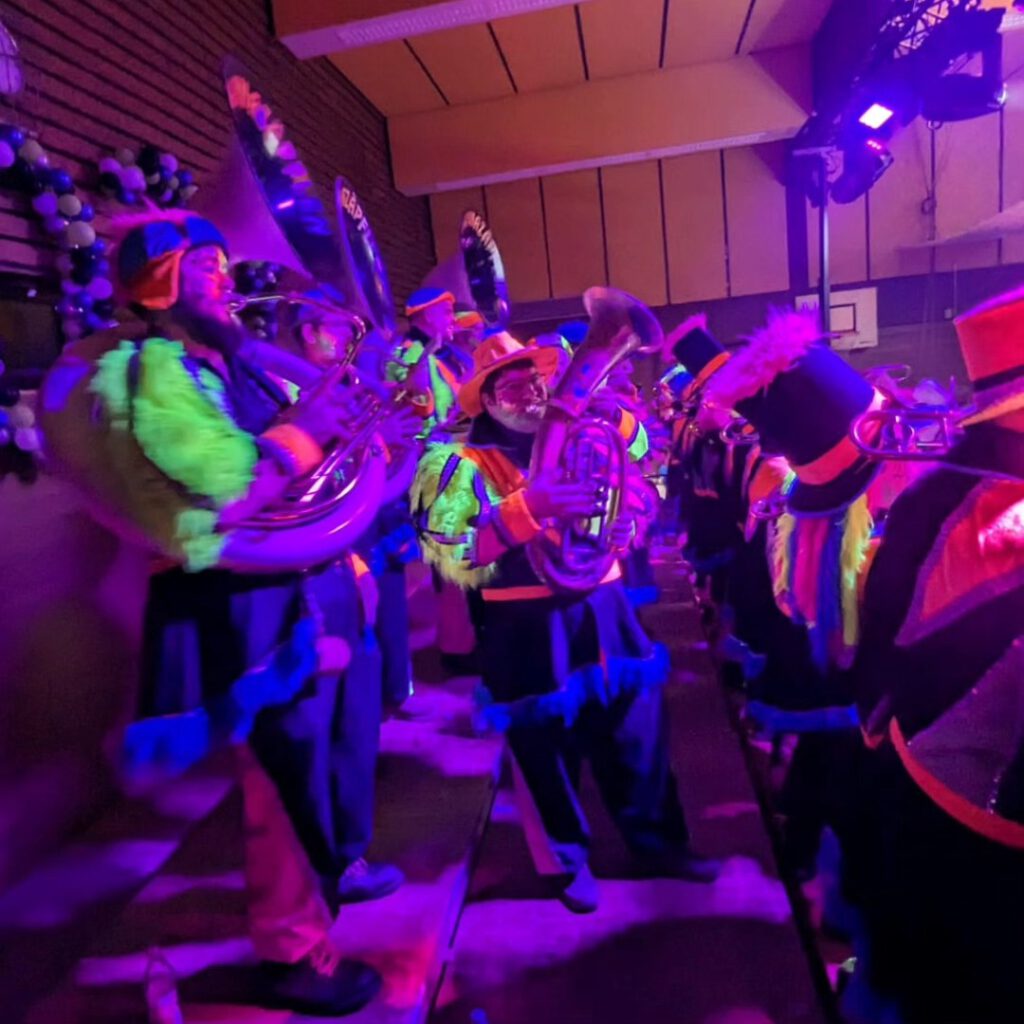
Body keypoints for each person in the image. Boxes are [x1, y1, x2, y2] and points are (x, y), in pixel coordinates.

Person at [40, 209, 381, 1017]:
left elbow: (311, 456)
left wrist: (362, 433)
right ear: (159, 285)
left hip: (301, 591)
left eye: (226, 267)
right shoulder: (155, 371)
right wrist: (302, 436)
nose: (228, 282)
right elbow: (225, 493)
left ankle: (324, 901)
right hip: (247, 609)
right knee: (282, 786)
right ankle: (293, 952)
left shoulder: (231, 362)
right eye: (205, 269)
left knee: (319, 766)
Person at [411, 332, 719, 914]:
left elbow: (637, 490)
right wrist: (531, 508)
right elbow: (450, 551)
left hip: (605, 612)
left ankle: (659, 846)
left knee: (637, 737)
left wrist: (629, 523)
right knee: (544, 754)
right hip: (524, 625)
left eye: (535, 379)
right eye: (512, 385)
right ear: (486, 400)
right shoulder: (455, 462)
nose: (531, 392)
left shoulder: (583, 437)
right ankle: (565, 862)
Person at [846, 286, 1024, 1024]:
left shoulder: (927, 498)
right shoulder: (994, 517)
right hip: (987, 827)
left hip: (912, 768)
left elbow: (876, 639)